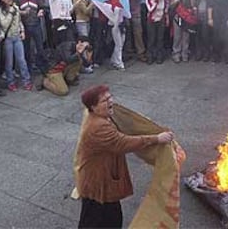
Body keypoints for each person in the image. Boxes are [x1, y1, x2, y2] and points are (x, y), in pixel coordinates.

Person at [74, 84, 174, 228]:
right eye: (104, 101)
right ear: (93, 107)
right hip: (97, 182)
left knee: (100, 215)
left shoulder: (96, 115)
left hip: (98, 178)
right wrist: (156, 138)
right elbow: (122, 143)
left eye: (110, 97)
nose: (110, 102)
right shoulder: (98, 127)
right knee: (99, 218)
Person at [0, 0, 33, 92]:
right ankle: (11, 82)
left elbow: (19, 21)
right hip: (8, 38)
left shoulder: (15, 8)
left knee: (21, 60)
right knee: (9, 62)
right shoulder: (0, 11)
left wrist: (22, 31)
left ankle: (27, 81)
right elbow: (4, 24)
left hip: (17, 36)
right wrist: (10, 13)